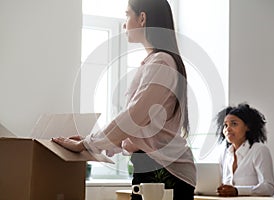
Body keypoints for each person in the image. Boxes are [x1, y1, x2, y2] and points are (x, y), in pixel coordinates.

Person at [52, 0, 196, 199]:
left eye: (127, 15)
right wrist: (90, 142)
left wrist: (88, 144)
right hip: (153, 167)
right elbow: (139, 128)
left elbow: (135, 116)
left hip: (164, 170)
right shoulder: (156, 62)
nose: (124, 23)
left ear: (142, 18)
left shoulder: (161, 62)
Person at [215, 103, 274, 197]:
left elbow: (268, 188)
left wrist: (237, 191)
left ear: (248, 127)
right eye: (225, 125)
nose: (228, 129)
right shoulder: (224, 154)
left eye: (234, 124)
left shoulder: (259, 150)